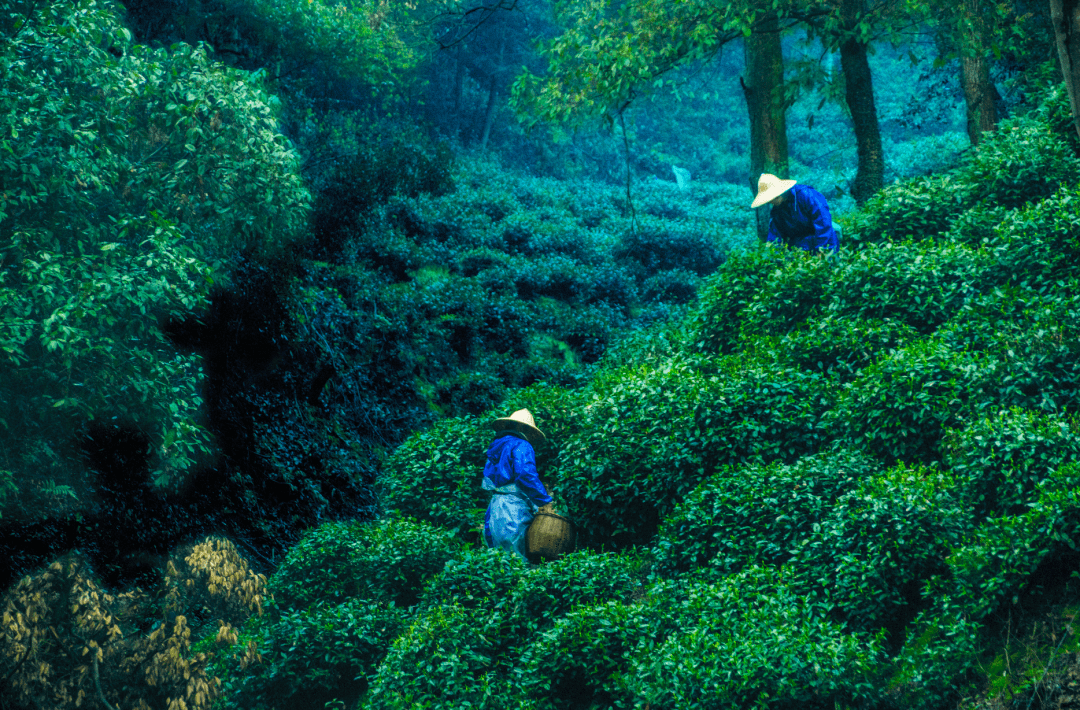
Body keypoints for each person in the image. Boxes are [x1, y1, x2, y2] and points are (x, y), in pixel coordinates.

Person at [482, 408, 553, 561]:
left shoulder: (496, 446)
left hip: (494, 506)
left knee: (498, 559)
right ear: (522, 428)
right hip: (513, 508)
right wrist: (545, 500)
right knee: (517, 559)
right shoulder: (522, 445)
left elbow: (488, 478)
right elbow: (525, 475)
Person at [751, 173, 839, 255]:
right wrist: (772, 256)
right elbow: (774, 237)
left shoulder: (807, 195)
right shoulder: (777, 211)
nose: (770, 201)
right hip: (800, 248)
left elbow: (823, 223)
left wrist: (822, 250)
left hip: (824, 241)